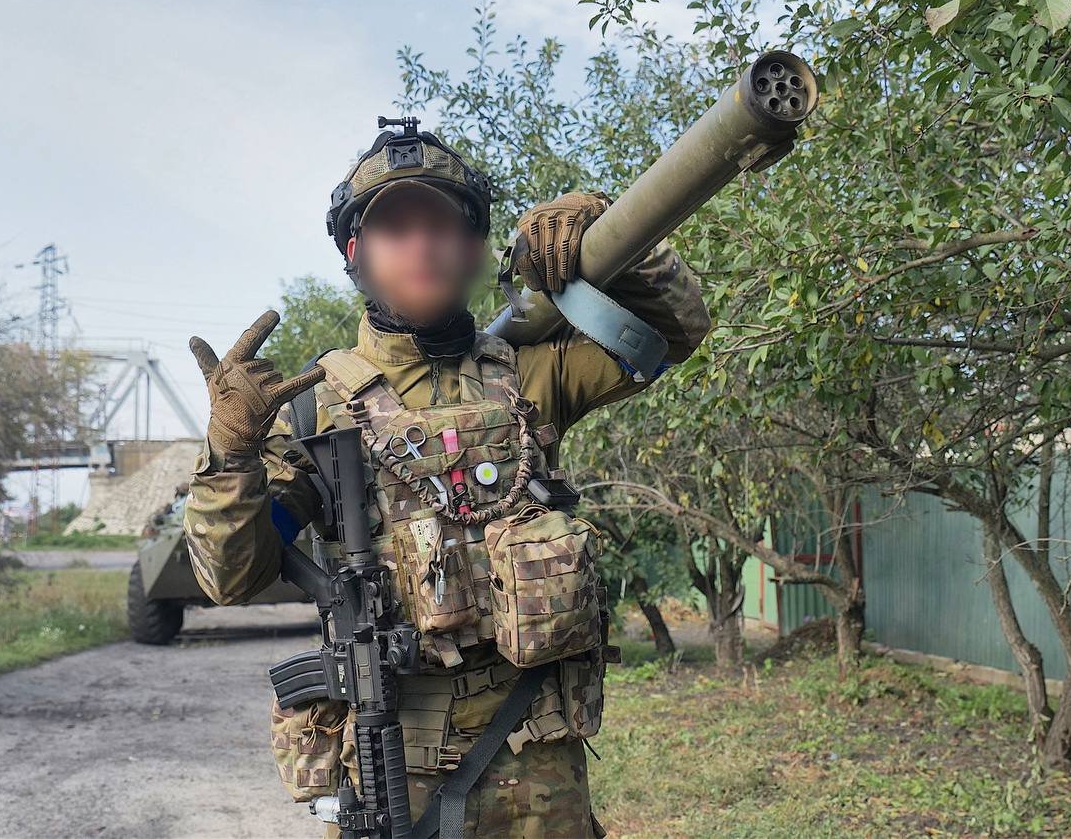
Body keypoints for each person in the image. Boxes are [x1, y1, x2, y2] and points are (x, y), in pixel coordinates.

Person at [183, 118, 709, 837]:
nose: (422, 245)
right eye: (395, 228)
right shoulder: (312, 411)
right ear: (355, 251)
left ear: (475, 246)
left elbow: (676, 330)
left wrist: (603, 227)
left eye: (441, 224)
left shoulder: (531, 375)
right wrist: (230, 455)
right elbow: (230, 577)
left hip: (539, 771)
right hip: (396, 774)